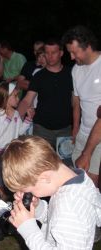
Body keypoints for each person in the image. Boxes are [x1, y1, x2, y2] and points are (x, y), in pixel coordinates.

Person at [2, 135, 101, 250]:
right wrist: (38, 207)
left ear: (44, 178)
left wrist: (28, 230)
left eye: (29, 190)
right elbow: (55, 220)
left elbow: (64, 215)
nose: (29, 194)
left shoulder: (69, 207)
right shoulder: (74, 183)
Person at [62, 25, 101, 187]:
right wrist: (75, 127)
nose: (71, 57)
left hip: (98, 136)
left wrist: (87, 152)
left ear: (88, 47)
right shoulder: (76, 70)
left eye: (74, 52)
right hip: (82, 133)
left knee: (90, 185)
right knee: (75, 178)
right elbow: (77, 100)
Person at [18, 38, 73, 148]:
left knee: (65, 164)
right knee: (41, 164)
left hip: (65, 130)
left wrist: (76, 128)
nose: (50, 56)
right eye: (47, 53)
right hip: (42, 129)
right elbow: (27, 100)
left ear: (61, 53)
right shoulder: (38, 76)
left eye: (53, 52)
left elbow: (75, 102)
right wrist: (14, 120)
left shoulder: (71, 73)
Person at [0, 82, 34, 200]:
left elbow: (19, 131)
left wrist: (28, 119)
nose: (18, 98)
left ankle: (8, 199)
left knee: (9, 178)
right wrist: (8, 118)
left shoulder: (15, 114)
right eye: (15, 96)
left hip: (10, 153)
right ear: (6, 97)